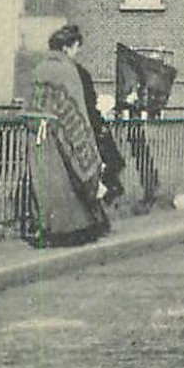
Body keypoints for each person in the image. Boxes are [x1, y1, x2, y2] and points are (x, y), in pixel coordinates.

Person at [24, 24, 117, 247]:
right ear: (67, 48)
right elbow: (76, 111)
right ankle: (68, 233)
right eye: (76, 48)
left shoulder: (39, 68)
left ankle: (44, 228)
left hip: (37, 134)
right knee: (67, 181)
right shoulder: (67, 70)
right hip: (60, 134)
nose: (76, 53)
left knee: (44, 182)